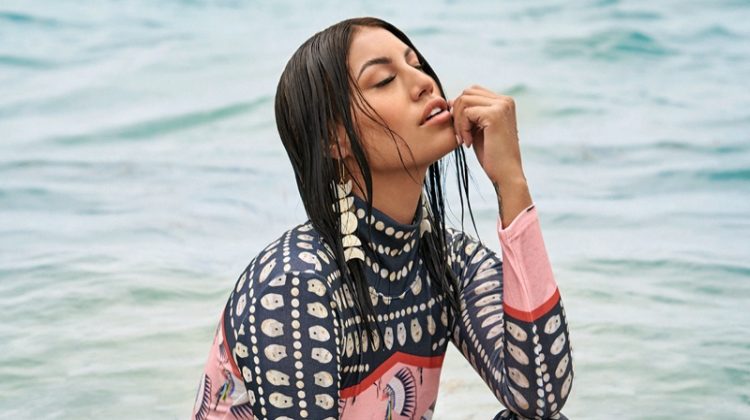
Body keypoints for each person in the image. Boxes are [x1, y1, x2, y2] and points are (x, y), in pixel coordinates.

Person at [191, 16, 574, 420]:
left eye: (417, 64)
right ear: (334, 139)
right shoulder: (295, 284)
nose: (425, 82)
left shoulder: (444, 261)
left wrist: (511, 181)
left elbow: (541, 396)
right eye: (384, 80)